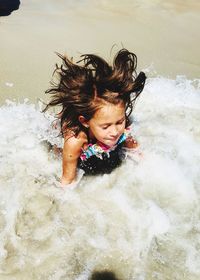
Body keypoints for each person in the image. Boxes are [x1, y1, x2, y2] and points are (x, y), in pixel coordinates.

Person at [44, 49, 146, 186]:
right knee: (56, 152)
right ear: (85, 121)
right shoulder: (75, 141)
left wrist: (144, 166)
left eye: (119, 122)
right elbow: (67, 181)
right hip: (69, 140)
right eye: (106, 126)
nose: (115, 131)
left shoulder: (118, 121)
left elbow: (135, 151)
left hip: (95, 131)